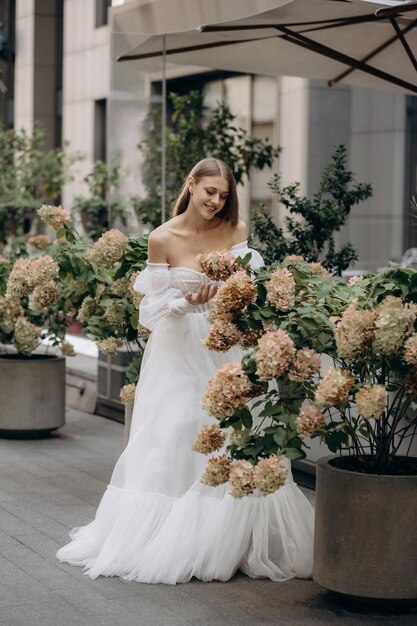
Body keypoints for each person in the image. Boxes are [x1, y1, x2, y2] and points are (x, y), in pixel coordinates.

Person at [56, 157, 314, 584]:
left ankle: (229, 541)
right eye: (210, 191)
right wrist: (186, 302)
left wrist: (233, 294)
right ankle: (167, 539)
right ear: (191, 184)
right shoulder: (163, 238)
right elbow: (150, 314)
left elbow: (251, 292)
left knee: (230, 434)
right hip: (177, 349)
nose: (216, 201)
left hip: (225, 349)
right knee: (175, 432)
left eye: (224, 195)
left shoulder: (237, 232)